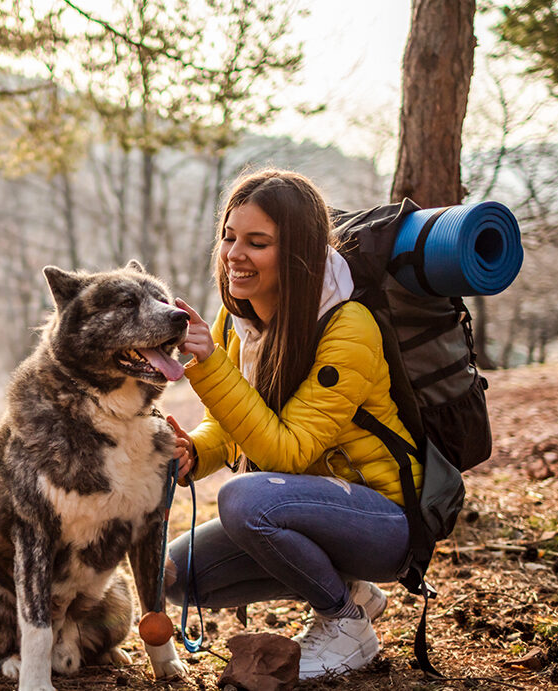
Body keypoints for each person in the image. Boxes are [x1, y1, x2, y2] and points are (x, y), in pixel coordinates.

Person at [163, 168, 423, 679]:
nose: (235, 254)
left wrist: (211, 368)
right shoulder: (236, 322)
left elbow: (289, 452)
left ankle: (345, 624)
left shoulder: (348, 326)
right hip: (311, 507)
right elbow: (235, 423)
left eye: (257, 243)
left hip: (386, 520)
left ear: (297, 253)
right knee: (178, 573)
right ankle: (350, 591)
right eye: (229, 237)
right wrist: (196, 452)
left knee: (244, 499)